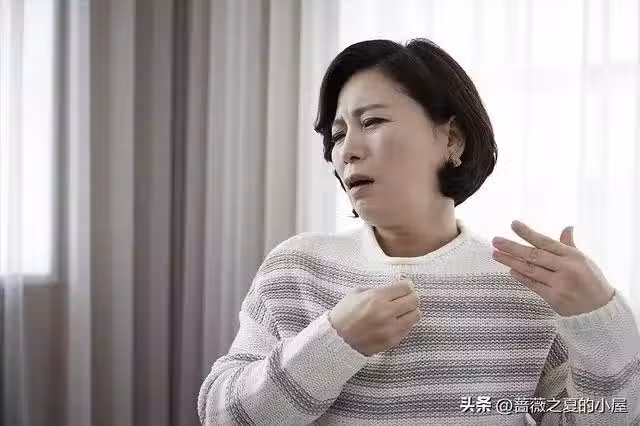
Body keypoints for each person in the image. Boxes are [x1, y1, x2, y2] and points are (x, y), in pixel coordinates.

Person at [197, 38, 640, 425]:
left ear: (452, 139)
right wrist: (333, 342)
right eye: (338, 134)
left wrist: (599, 317)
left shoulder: (525, 288)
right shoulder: (297, 270)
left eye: (372, 122)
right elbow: (223, 415)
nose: (347, 150)